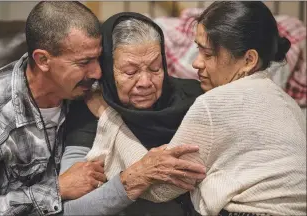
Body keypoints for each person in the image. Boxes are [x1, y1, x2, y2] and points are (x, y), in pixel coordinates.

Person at [0, 2, 206, 216]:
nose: (98, 72)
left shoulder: (87, 92)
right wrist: (56, 190)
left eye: (99, 59)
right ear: (43, 60)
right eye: (84, 62)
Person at [86, 2, 306, 216]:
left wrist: (109, 116)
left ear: (249, 60)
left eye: (208, 54)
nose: (196, 63)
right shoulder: (290, 105)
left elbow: (159, 189)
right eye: (198, 50)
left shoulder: (216, 103)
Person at [61, 12, 206, 216]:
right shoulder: (89, 107)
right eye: (130, 72)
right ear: (108, 70)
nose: (146, 82)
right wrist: (135, 178)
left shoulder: (195, 98)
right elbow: (70, 210)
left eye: (155, 69)